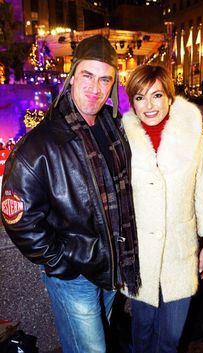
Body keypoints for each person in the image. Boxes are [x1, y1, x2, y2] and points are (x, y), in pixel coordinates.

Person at [1, 35, 141, 353]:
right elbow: (19, 220)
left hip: (111, 266)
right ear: (72, 76)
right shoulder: (38, 146)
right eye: (87, 76)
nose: (95, 88)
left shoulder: (112, 127)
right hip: (74, 275)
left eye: (105, 79)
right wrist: (62, 261)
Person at [121, 64, 203, 353]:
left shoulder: (191, 134)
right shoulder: (122, 139)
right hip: (141, 255)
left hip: (180, 251)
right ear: (132, 103)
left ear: (169, 97)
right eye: (140, 97)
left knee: (170, 338)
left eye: (156, 95)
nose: (149, 105)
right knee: (143, 333)